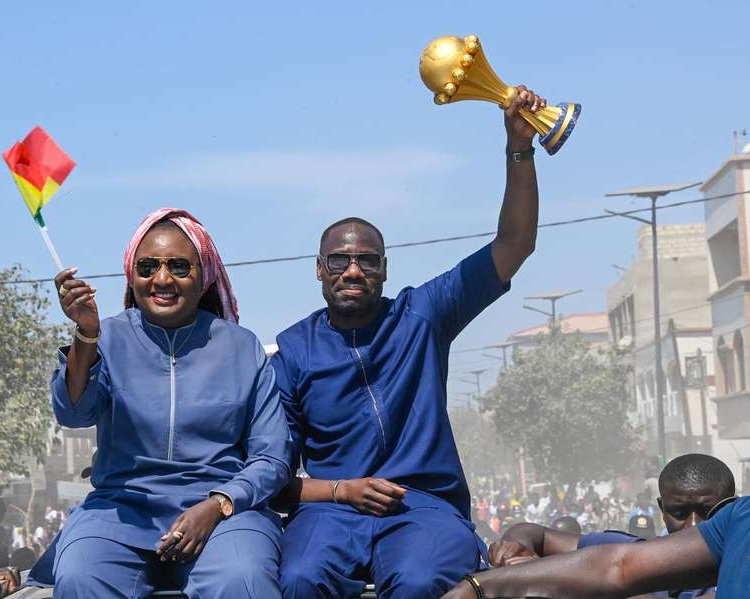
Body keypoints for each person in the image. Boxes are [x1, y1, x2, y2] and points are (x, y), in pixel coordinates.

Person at [273, 85, 546, 599]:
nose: (353, 270)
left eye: (367, 260)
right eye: (339, 260)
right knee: (299, 577)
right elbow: (276, 476)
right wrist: (343, 491)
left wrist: (519, 148)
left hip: (423, 505)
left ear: (384, 269)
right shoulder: (293, 351)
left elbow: (516, 244)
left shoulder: (422, 314)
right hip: (331, 509)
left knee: (422, 581)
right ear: (319, 270)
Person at [48, 208, 292, 598]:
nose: (162, 279)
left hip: (222, 515)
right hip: (120, 511)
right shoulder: (105, 338)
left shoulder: (241, 347)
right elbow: (74, 413)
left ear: (204, 275)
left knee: (242, 577)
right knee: (80, 575)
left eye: (179, 266)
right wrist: (86, 335)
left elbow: (272, 457)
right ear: (132, 274)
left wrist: (218, 505)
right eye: (148, 267)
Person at [488, 454, 736, 598]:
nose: (693, 525)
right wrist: (517, 550)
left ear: (731, 507)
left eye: (708, 511)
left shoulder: (739, 567)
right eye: (679, 512)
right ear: (662, 509)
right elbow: (533, 533)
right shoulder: (636, 552)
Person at [442, 494, 748, 599]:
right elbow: (618, 567)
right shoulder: (741, 519)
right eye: (680, 512)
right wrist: (479, 587)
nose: (693, 524)